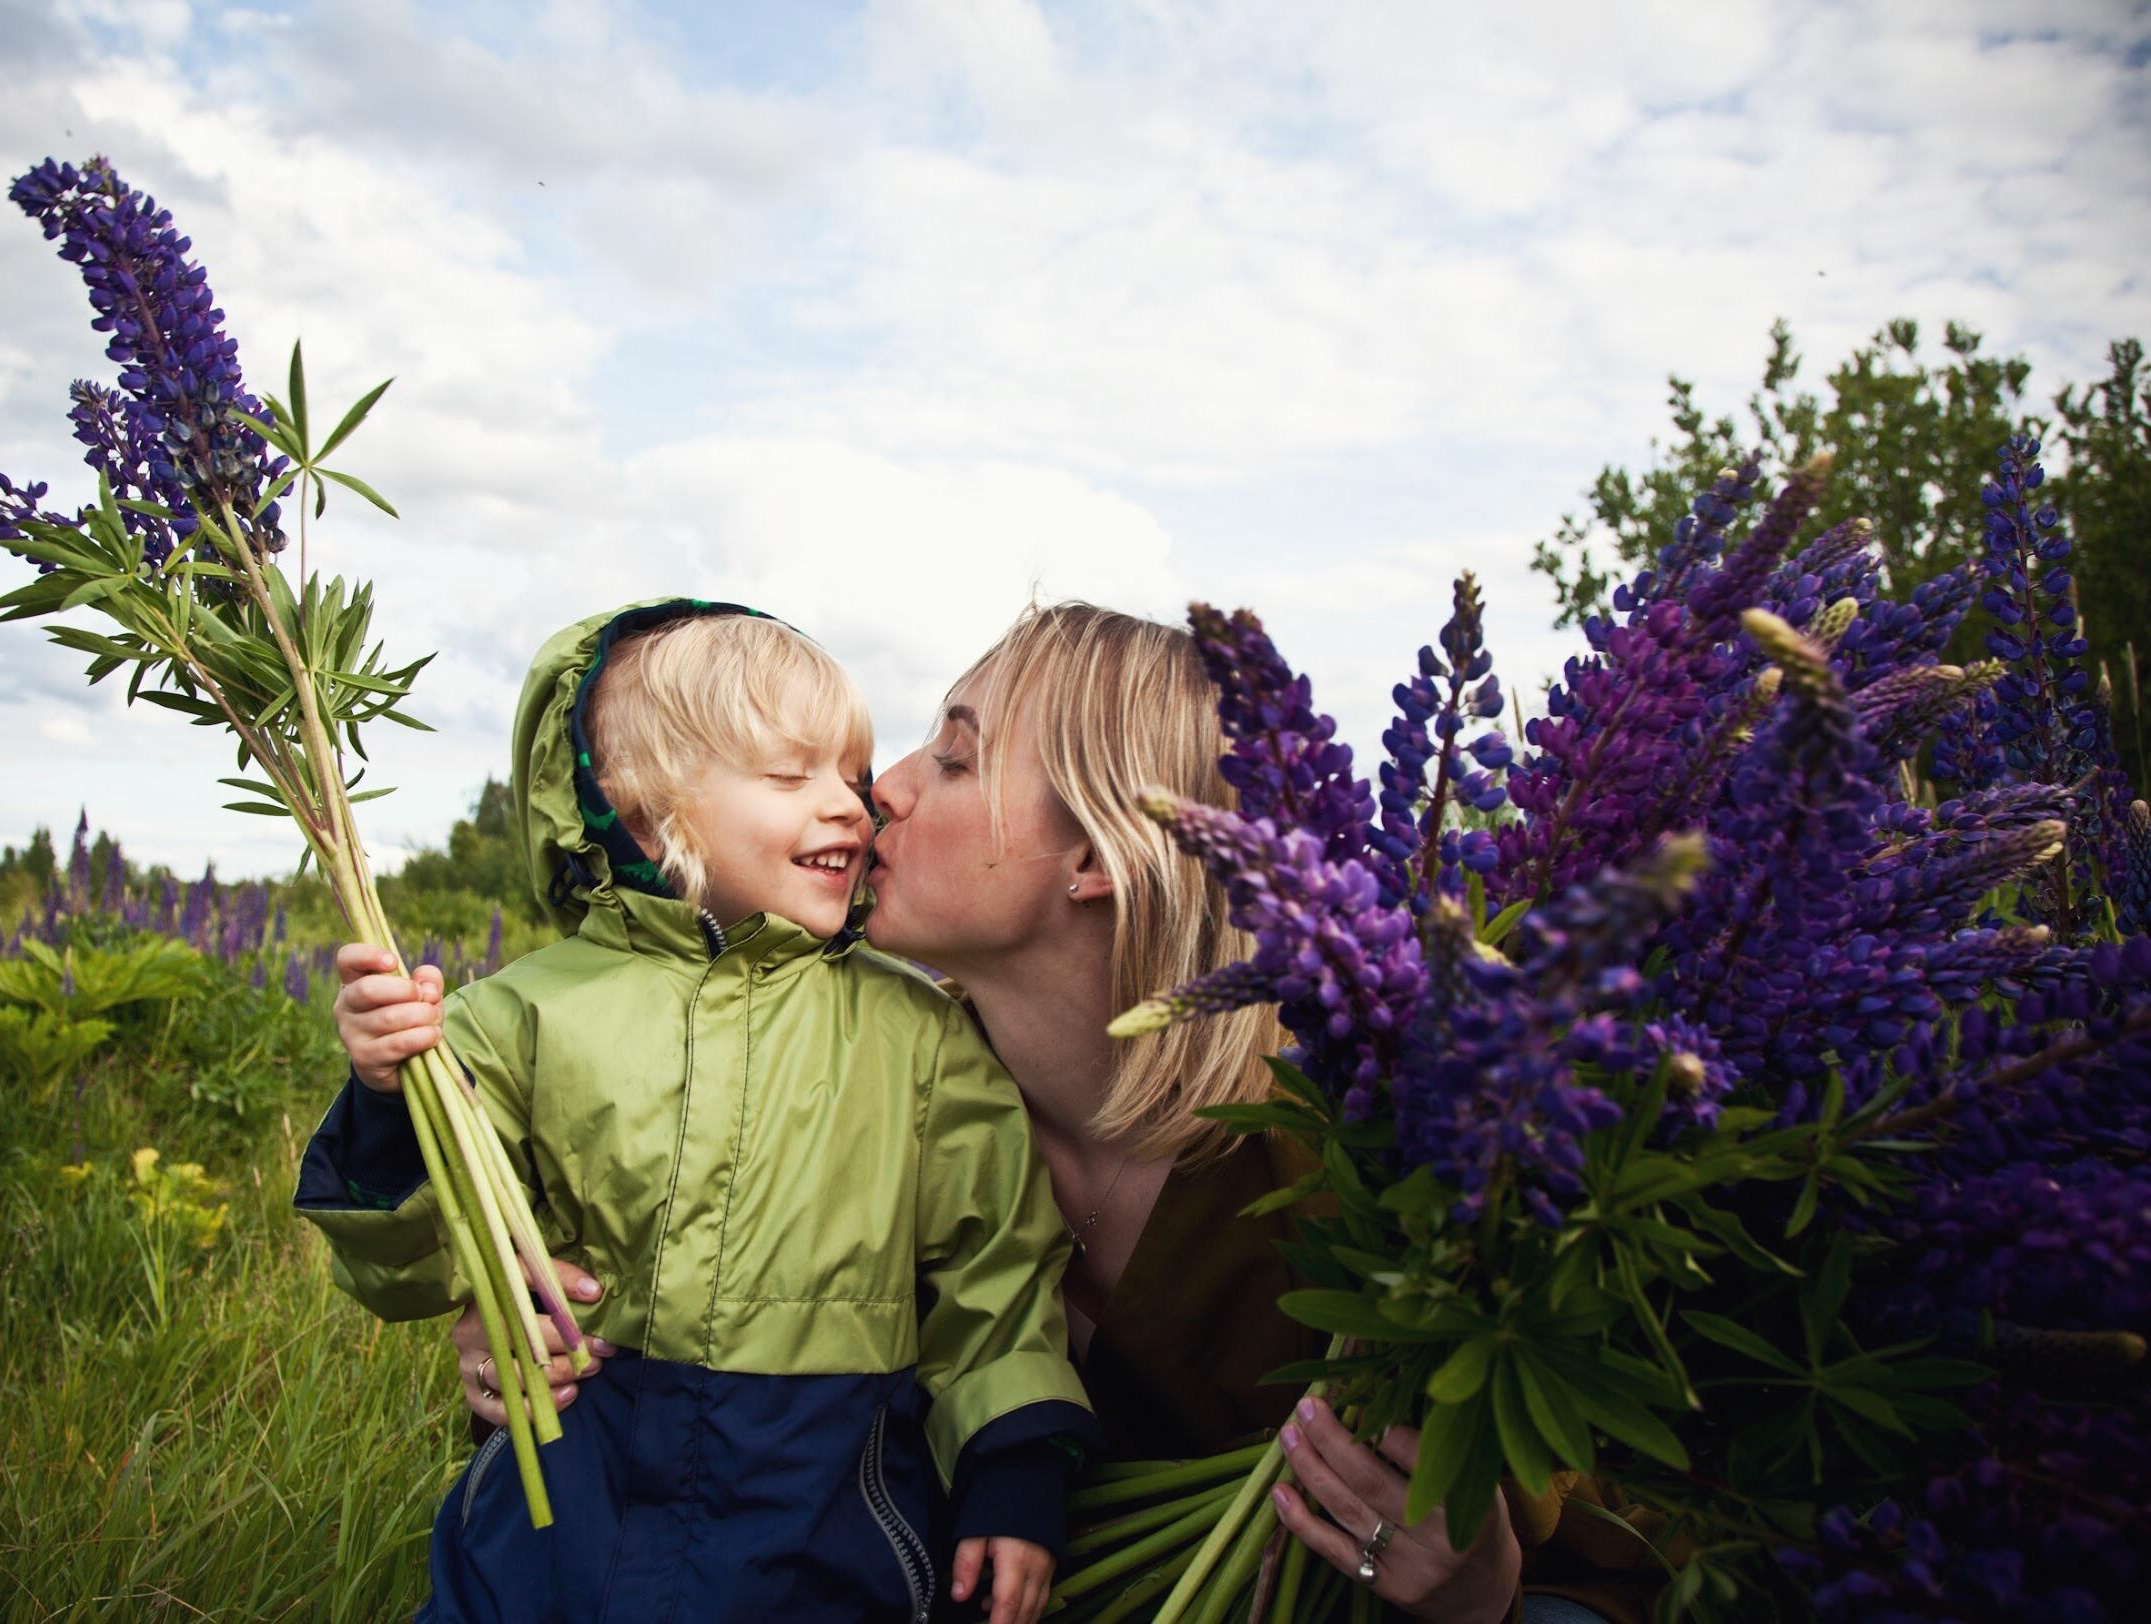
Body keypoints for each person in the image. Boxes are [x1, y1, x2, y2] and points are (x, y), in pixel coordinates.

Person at [436, 604, 1653, 1623]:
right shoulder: (876, 1091)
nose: (882, 789)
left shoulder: (1333, 1146)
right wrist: (510, 1315)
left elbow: (1543, 1524)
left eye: (954, 758)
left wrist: (1473, 1579)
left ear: (1099, 859)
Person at [296, 600, 1098, 1624]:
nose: (853, 806)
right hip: (560, 1523)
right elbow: (410, 1265)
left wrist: (1015, 1470)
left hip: (821, 1529)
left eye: (850, 776)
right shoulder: (520, 1014)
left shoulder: (919, 1038)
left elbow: (997, 1273)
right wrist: (386, 1094)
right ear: (644, 805)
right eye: (789, 774)